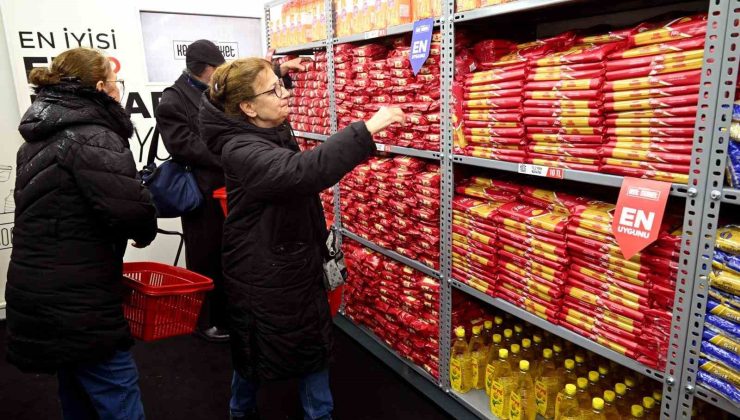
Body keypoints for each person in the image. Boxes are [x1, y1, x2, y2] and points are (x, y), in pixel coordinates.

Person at [199, 57, 404, 420]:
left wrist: (277, 70)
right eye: (274, 90)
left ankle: (308, 413)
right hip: (262, 270)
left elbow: (250, 85)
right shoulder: (240, 148)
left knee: (306, 343)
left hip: (287, 259)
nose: (285, 94)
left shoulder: (263, 127)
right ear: (247, 107)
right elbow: (299, 172)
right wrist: (366, 129)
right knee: (258, 348)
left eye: (282, 86)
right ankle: (243, 411)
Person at [5, 47, 157, 420]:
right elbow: (130, 209)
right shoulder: (94, 136)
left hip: (41, 286)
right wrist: (144, 228)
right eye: (116, 83)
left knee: (74, 382)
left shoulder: (38, 136)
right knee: (115, 387)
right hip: (79, 295)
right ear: (103, 87)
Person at [155, 40, 304, 342]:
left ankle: (236, 315)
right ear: (207, 69)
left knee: (236, 254)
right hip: (203, 192)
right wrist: (233, 153)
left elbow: (247, 92)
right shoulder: (173, 99)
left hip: (234, 187)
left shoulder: (215, 88)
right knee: (206, 256)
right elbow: (183, 146)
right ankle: (209, 320)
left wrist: (275, 70)